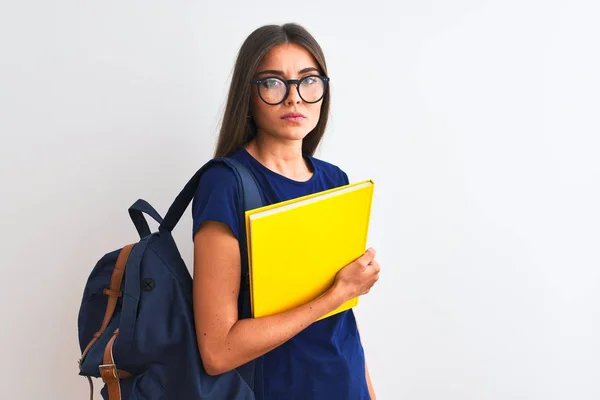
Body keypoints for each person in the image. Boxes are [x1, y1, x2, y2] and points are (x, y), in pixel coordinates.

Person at [191, 23, 381, 400]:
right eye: (273, 83)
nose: (294, 99)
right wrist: (337, 294)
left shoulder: (334, 180)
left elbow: (342, 322)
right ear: (248, 94)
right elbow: (218, 352)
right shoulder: (225, 184)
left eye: (308, 81)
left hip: (347, 387)